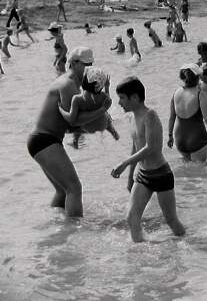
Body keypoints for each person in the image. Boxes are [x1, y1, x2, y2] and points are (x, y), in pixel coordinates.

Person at [27, 47, 107, 217]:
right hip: (44, 140)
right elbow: (74, 120)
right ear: (74, 63)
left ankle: (59, 228)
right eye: (86, 64)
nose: (90, 68)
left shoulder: (74, 84)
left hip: (42, 141)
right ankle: (77, 231)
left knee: (63, 191)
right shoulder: (68, 84)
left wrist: (85, 130)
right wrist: (102, 112)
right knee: (74, 188)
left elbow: (71, 122)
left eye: (91, 64)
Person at [111, 76, 186, 242]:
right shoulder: (132, 117)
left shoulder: (150, 115)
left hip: (160, 174)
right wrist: (130, 176)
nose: (120, 102)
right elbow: (135, 146)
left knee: (171, 220)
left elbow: (151, 148)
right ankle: (140, 253)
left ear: (135, 97)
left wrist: (124, 163)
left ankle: (187, 244)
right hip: (143, 175)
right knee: (132, 217)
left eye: (122, 98)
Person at [57, 67, 119, 148]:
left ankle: (75, 141)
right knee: (107, 116)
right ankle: (115, 134)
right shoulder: (103, 96)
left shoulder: (77, 99)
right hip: (102, 125)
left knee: (78, 116)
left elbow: (71, 118)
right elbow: (108, 101)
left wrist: (60, 109)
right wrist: (107, 87)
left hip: (87, 128)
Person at [167, 64, 207, 162]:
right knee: (200, 172)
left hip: (179, 139)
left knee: (187, 171)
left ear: (183, 77)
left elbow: (172, 117)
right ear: (198, 77)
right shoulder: (200, 93)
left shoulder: (176, 93)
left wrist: (170, 136)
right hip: (197, 139)